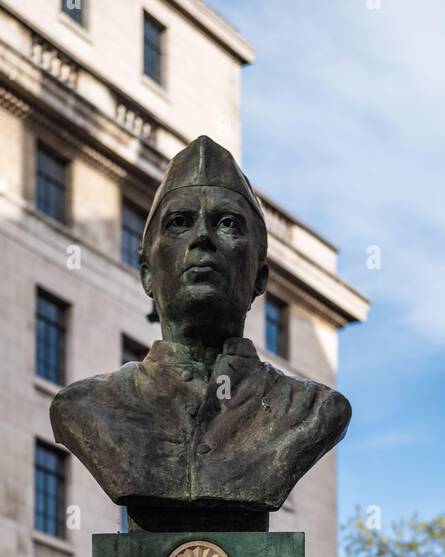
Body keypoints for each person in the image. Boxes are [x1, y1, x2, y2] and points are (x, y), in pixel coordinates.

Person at [50, 135, 351, 532]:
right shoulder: (88, 406)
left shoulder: (312, 411)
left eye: (227, 224)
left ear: (260, 276)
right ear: (146, 274)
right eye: (180, 222)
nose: (202, 238)